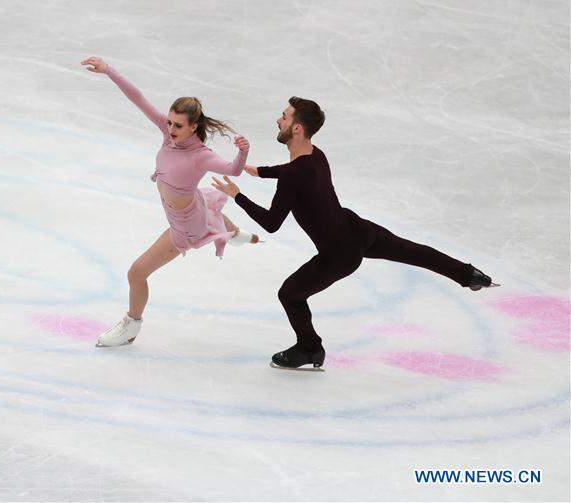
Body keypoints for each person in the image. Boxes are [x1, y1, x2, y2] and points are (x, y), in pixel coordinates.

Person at [212, 96, 498, 369]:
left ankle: (310, 347)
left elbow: (272, 222)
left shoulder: (293, 175)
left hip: (339, 254)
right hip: (357, 229)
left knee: (290, 294)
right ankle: (468, 274)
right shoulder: (316, 155)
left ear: (296, 129)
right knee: (413, 251)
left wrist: (238, 196)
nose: (278, 120)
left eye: (284, 117)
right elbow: (295, 171)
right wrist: (260, 172)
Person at [81, 56, 261, 347]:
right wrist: (109, 70)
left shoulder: (201, 155)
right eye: (170, 122)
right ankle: (237, 234)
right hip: (194, 206)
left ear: (193, 127)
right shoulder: (168, 135)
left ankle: (131, 326)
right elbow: (138, 99)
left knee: (136, 272)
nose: (171, 128)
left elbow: (232, 170)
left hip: (185, 225)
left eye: (178, 125)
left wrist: (243, 152)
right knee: (208, 202)